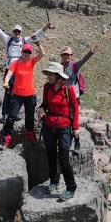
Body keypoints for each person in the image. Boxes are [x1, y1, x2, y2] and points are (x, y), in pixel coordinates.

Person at [0, 15, 53, 120]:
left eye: (19, 32)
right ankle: (5, 114)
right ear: (13, 32)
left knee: (16, 93)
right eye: (15, 32)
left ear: (21, 32)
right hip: (10, 69)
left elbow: (36, 35)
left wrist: (46, 27)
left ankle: (13, 113)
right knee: (8, 91)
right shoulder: (8, 39)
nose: (17, 34)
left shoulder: (24, 40)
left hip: (20, 69)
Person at [37, 61, 80, 202]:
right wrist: (41, 110)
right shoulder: (47, 88)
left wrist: (75, 127)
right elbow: (44, 103)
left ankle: (71, 187)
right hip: (49, 125)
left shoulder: (68, 90)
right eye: (48, 74)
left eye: (50, 74)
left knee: (63, 158)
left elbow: (75, 108)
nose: (48, 76)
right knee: (50, 154)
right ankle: (54, 181)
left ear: (57, 76)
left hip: (64, 127)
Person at [0, 41, 45, 149]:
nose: (27, 54)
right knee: (12, 117)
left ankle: (30, 136)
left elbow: (42, 54)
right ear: (21, 51)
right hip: (17, 95)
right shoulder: (15, 63)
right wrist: (6, 82)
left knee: (29, 117)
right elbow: (9, 74)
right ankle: (5, 139)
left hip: (30, 94)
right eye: (25, 51)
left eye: (29, 52)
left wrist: (38, 43)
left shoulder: (32, 61)